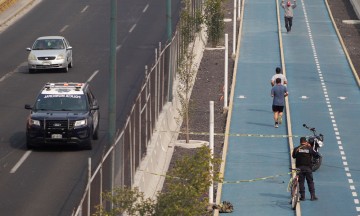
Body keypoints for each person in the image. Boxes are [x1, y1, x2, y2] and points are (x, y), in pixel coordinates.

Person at [292, 137, 319, 201]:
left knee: (301, 182)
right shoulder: (309, 148)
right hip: (308, 168)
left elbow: (293, 156)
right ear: (306, 141)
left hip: (299, 168)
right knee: (310, 182)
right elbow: (316, 155)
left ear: (300, 142)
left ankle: (302, 197)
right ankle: (312, 196)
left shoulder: (296, 149)